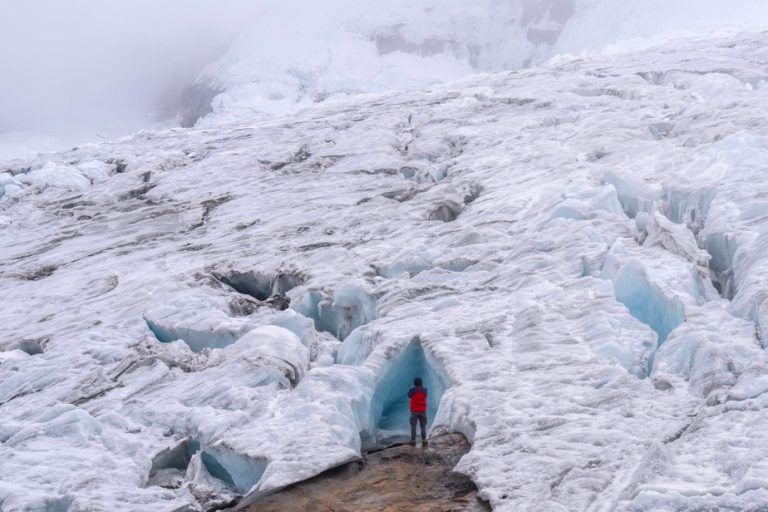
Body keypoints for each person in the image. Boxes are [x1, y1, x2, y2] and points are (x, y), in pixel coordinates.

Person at [408, 377, 428, 446]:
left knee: (413, 426)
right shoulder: (425, 389)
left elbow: (409, 395)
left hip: (414, 410)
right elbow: (425, 396)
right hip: (422, 410)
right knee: (423, 426)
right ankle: (424, 440)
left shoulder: (412, 389)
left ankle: (413, 441)